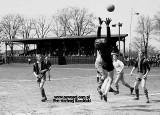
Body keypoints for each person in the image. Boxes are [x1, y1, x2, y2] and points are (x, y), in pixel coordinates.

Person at [94, 17, 115, 102]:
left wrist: (100, 25)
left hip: (103, 64)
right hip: (109, 64)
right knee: (110, 79)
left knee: (105, 77)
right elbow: (108, 36)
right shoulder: (108, 46)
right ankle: (105, 93)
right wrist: (108, 25)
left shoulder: (100, 48)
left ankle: (101, 89)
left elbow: (98, 36)